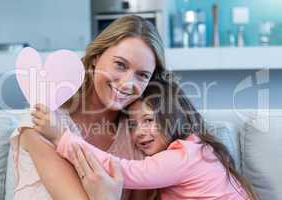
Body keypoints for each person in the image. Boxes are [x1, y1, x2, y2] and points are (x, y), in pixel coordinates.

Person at [16, 15, 166, 200]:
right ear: (96, 57)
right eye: (120, 65)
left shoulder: (139, 136)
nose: (128, 83)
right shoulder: (43, 122)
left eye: (142, 75)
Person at [32, 79, 259, 200]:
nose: (139, 132)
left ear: (175, 116)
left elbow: (122, 171)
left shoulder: (185, 155)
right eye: (132, 124)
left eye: (149, 120)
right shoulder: (197, 149)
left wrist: (62, 137)